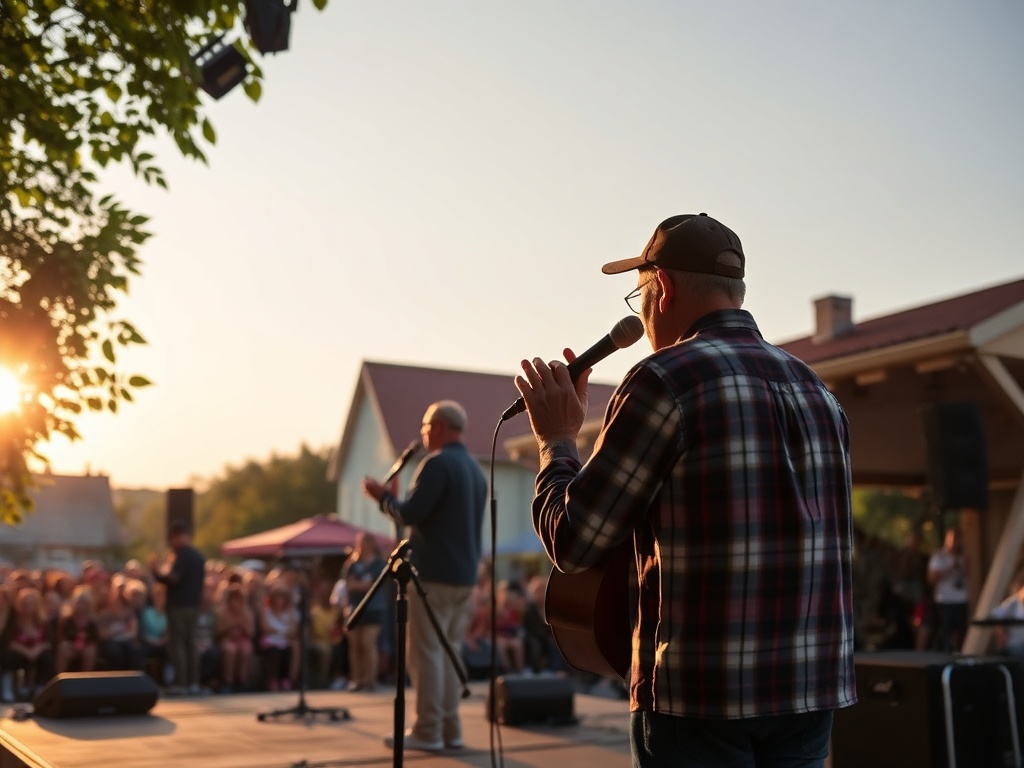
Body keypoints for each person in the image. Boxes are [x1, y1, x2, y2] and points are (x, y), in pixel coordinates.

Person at [513, 213, 857, 768]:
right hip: (810, 688)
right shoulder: (818, 391)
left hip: (697, 697)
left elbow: (575, 542)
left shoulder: (664, 379)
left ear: (663, 288)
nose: (642, 314)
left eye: (639, 295)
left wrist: (556, 439)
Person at [361, 399, 487, 752]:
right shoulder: (475, 470)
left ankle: (429, 730)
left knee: (427, 654)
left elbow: (411, 514)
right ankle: (451, 731)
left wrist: (384, 498)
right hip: (464, 576)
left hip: (432, 576)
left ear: (440, 427)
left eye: (425, 427)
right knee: (448, 653)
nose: (422, 433)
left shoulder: (437, 464)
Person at [151, 521, 206, 694]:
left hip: (179, 607)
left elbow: (175, 579)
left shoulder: (183, 555)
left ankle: (181, 683)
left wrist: (156, 572)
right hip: (193, 606)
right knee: (191, 645)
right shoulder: (198, 556)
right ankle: (193, 682)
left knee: (178, 646)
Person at [341, 531, 388, 692]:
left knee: (368, 644)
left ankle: (370, 679)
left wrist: (357, 585)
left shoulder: (379, 564)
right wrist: (357, 586)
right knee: (355, 646)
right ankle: (357, 679)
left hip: (373, 608)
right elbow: (348, 584)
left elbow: (371, 586)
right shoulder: (352, 564)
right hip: (353, 608)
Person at [928, 527, 969, 653]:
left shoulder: (962, 556)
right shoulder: (939, 557)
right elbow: (932, 578)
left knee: (961, 630)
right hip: (945, 600)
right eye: (953, 539)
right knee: (946, 632)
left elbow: (967, 574)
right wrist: (950, 567)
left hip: (961, 599)